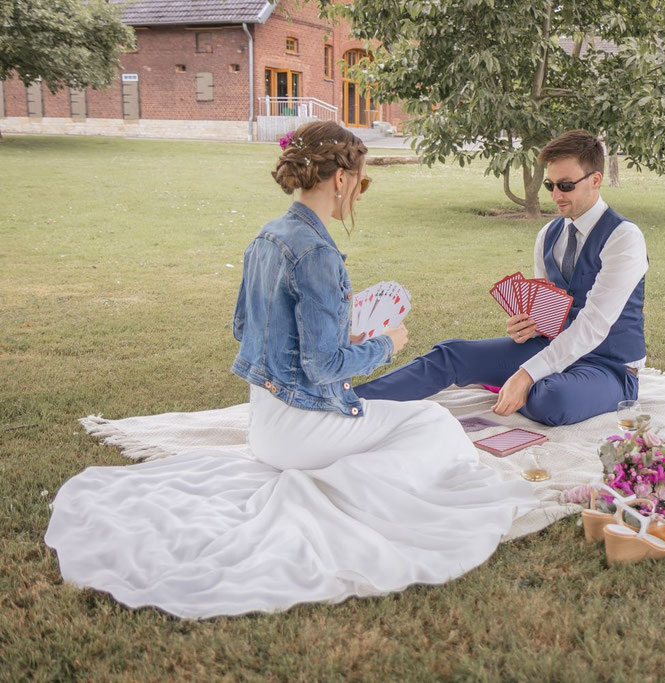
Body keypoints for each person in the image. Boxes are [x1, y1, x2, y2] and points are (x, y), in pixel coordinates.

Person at [44, 121, 535, 619]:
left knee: (407, 421)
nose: (358, 197)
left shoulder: (267, 236)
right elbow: (322, 368)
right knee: (432, 422)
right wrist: (385, 344)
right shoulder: (318, 253)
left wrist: (340, 332)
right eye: (361, 184)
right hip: (302, 427)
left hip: (265, 423)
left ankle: (346, 477)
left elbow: (245, 327)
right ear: (340, 180)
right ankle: (357, 494)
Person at [357, 130, 647, 426]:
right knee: (451, 354)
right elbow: (548, 314)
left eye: (566, 185)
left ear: (595, 180)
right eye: (550, 185)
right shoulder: (548, 235)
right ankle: (349, 403)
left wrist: (525, 374)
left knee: (552, 398)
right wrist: (529, 327)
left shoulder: (624, 238)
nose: (556, 195)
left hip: (609, 366)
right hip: (552, 350)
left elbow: (593, 324)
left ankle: (509, 382)